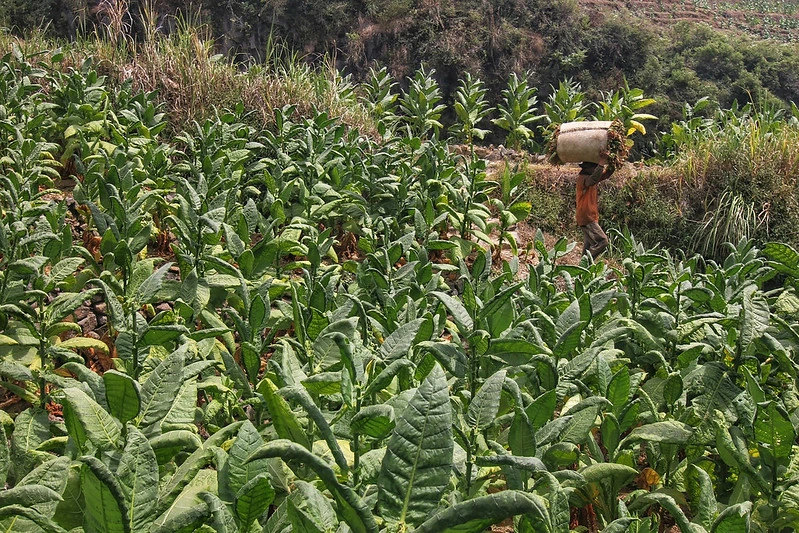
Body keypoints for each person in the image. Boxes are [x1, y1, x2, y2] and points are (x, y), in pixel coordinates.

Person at [576, 157, 614, 258]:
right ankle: (586, 264)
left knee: (588, 248)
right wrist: (601, 164)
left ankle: (582, 271)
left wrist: (613, 163)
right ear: (587, 168)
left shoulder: (591, 177)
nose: (595, 169)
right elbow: (593, 180)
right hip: (587, 216)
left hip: (590, 215)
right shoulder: (584, 178)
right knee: (603, 241)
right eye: (594, 167)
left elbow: (605, 175)